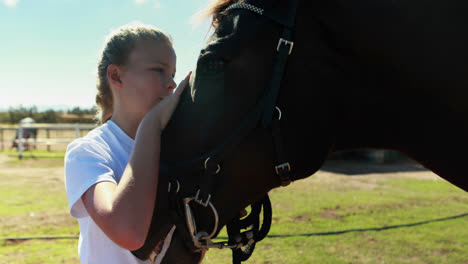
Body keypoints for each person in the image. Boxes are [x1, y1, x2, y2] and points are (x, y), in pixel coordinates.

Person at [64, 22, 197, 264]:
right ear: (116, 76)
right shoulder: (88, 152)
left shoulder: (177, 151)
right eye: (158, 70)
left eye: (173, 75)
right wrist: (151, 126)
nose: (171, 84)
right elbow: (129, 233)